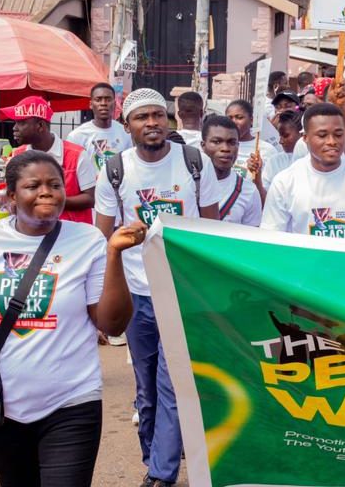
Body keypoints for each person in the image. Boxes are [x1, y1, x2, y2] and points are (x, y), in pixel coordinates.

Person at [0, 151, 143, 487]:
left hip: (71, 400)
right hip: (2, 406)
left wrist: (114, 255)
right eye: (33, 185)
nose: (46, 192)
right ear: (11, 195)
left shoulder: (87, 240)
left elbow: (112, 325)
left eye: (55, 184)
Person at [94, 88, 222, 487]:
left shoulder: (194, 163)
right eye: (141, 117)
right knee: (145, 387)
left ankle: (162, 474)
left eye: (157, 115)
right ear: (127, 126)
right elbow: (102, 242)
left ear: (168, 120)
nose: (151, 123)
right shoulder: (115, 170)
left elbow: (212, 231)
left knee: (171, 383)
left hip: (181, 294)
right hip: (135, 295)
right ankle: (154, 457)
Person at [261, 104, 345, 240]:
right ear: (305, 138)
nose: (331, 141)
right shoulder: (284, 183)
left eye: (338, 134)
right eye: (322, 135)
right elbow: (271, 241)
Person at [3, 96, 96, 224]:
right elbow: (13, 196)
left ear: (40, 125)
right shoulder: (17, 155)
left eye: (22, 122)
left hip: (73, 236)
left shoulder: (77, 155)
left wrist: (50, 202)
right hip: (31, 235)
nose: (14, 128)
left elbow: (90, 199)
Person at [201, 116, 263, 226]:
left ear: (238, 146)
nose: (225, 148)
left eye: (232, 142)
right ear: (203, 145)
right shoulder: (189, 183)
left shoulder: (249, 191)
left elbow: (251, 238)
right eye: (217, 142)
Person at [67, 82, 132, 170]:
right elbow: (71, 170)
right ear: (91, 104)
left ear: (115, 104)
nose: (103, 103)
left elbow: (130, 165)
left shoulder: (125, 133)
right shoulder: (77, 136)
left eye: (108, 99)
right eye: (98, 99)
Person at [224, 100, 278, 186]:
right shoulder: (221, 147)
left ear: (252, 120)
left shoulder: (266, 150)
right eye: (229, 118)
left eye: (239, 117)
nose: (233, 122)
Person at [262, 111, 302, 191]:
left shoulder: (314, 160)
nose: (280, 141)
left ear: (301, 134)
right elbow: (266, 193)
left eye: (286, 135)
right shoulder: (274, 161)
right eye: (280, 135)